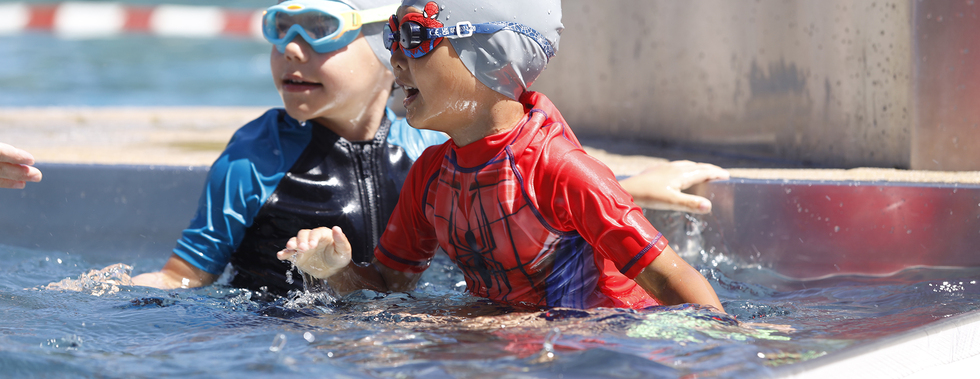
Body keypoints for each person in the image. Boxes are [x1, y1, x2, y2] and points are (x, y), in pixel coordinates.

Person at [52, 0, 724, 296]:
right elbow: (182, 276)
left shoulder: (423, 150)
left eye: (320, 31)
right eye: (279, 28)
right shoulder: (256, 155)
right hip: (269, 327)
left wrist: (625, 185)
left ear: (381, 51)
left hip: (400, 315)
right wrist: (101, 293)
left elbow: (525, 180)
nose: (292, 49)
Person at [278, 0, 725, 311]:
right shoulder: (431, 176)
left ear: (491, 55)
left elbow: (671, 280)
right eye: (393, 37)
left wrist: (722, 354)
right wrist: (336, 270)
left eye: (415, 36)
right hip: (514, 335)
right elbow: (389, 289)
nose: (394, 58)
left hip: (601, 337)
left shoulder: (561, 170)